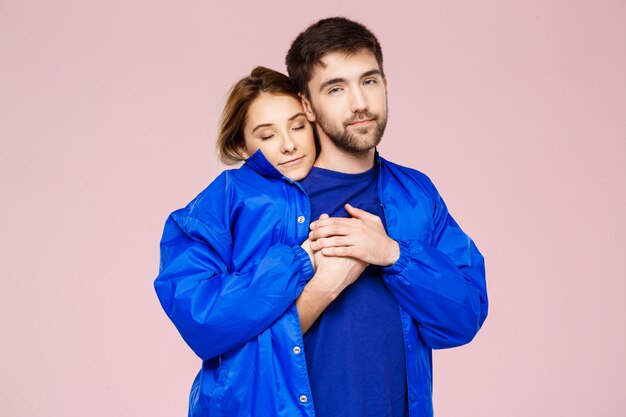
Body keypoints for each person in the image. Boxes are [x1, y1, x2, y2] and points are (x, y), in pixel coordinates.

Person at [283, 17, 489, 417]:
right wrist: (322, 287)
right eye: (336, 88)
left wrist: (394, 254)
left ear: (386, 84)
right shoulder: (273, 202)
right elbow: (234, 351)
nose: (359, 102)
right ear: (307, 105)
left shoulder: (416, 195)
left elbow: (463, 318)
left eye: (369, 81)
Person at [154, 66, 361, 416]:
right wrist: (296, 262)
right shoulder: (225, 198)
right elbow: (202, 317)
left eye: (298, 126)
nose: (289, 144)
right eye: (266, 136)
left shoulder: (352, 185)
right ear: (240, 144)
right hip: (245, 399)